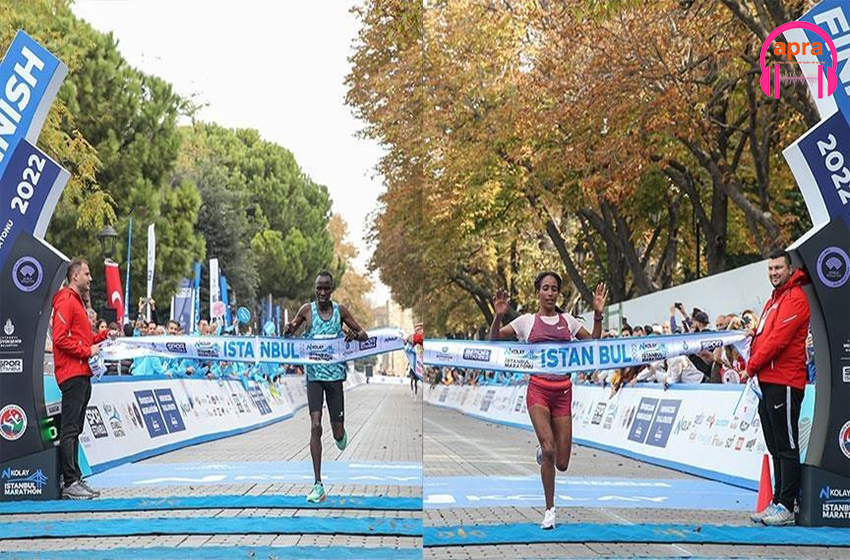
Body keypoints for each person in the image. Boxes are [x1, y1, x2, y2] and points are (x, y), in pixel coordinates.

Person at [489, 271, 607, 530]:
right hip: (538, 391)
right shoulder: (526, 322)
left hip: (563, 392)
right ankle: (549, 510)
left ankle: (545, 454)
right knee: (549, 447)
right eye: (545, 288)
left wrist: (598, 313)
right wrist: (498, 316)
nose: (550, 293)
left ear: (558, 293)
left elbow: (594, 342)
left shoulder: (568, 322)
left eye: (554, 288)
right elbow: (493, 341)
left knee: (561, 462)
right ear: (537, 293)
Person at [283, 271, 369, 504]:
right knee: (315, 426)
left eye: (326, 288)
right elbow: (289, 331)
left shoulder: (340, 311)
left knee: (337, 433)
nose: (322, 293)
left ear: (332, 289)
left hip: (335, 379)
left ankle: (340, 434)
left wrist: (354, 334)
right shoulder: (306, 310)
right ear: (315, 289)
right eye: (319, 288)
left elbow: (364, 335)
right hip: (314, 377)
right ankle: (318, 484)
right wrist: (289, 329)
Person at [744, 250, 810, 527]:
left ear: (789, 268)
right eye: (770, 268)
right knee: (775, 445)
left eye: (778, 268)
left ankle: (786, 504)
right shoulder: (774, 299)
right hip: (767, 381)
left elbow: (777, 342)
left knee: (786, 444)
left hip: (785, 381)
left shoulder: (795, 298)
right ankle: (777, 502)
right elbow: (763, 336)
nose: (773, 272)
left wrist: (750, 366)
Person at [52, 258, 117, 499]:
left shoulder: (76, 302)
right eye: (87, 274)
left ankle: (75, 478)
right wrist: (87, 351)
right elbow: (59, 339)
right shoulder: (66, 301)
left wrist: (102, 336)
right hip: (72, 373)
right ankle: (69, 482)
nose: (91, 279)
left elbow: (83, 339)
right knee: (70, 429)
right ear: (75, 276)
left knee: (75, 429)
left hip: (81, 373)